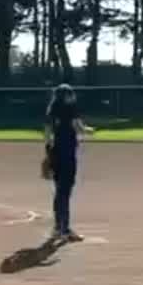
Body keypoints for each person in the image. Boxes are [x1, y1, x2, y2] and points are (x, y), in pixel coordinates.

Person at [44, 83, 96, 242]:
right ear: (66, 96)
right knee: (65, 192)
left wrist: (48, 152)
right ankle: (64, 230)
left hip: (55, 153)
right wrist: (88, 130)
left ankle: (57, 228)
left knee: (59, 191)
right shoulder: (70, 108)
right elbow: (78, 127)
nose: (73, 96)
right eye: (71, 93)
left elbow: (47, 133)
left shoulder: (51, 109)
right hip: (67, 153)